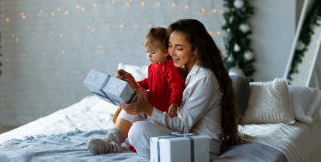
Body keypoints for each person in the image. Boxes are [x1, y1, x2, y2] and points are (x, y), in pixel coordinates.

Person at [88, 19, 241, 159]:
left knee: (138, 130)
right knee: (134, 98)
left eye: (179, 48)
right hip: (181, 135)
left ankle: (134, 145)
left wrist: (147, 108)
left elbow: (183, 125)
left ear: (195, 49)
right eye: (169, 46)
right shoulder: (184, 71)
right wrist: (134, 86)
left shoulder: (204, 78)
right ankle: (112, 140)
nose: (171, 53)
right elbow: (158, 93)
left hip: (200, 145)